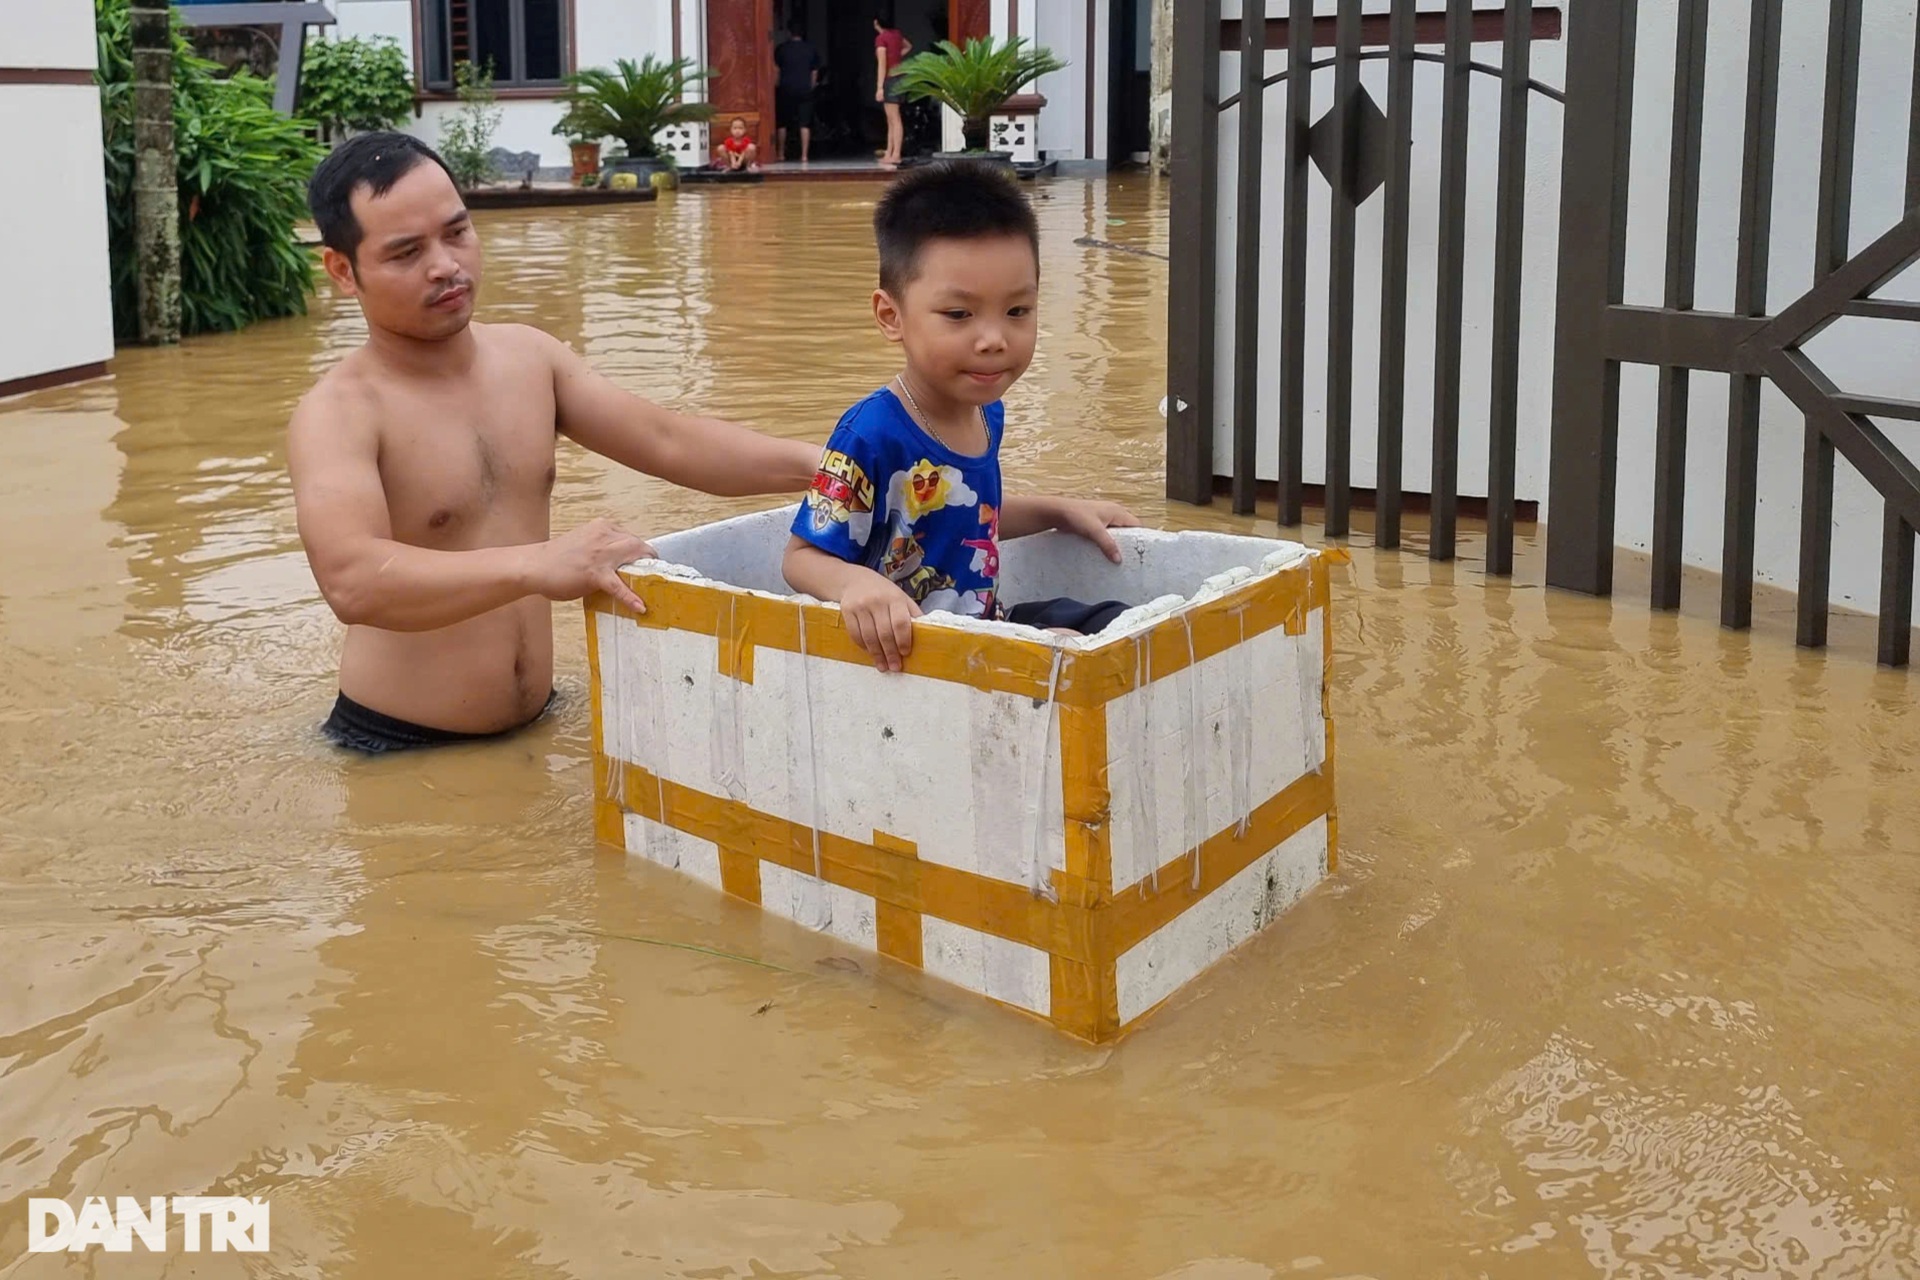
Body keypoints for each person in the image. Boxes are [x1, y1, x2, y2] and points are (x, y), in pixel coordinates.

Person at [289, 132, 820, 752]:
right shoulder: (337, 414)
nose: (445, 265)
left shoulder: (530, 359)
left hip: (541, 720)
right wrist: (540, 564)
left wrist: (830, 465)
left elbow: (667, 439)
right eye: (406, 252)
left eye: (456, 232)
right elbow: (354, 581)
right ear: (342, 271)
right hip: (398, 746)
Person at [782, 162, 1138, 672]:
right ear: (891, 316)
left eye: (1017, 312)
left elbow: (964, 515)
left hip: (983, 624)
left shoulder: (986, 412)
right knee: (1062, 648)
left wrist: (1061, 510)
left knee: (1114, 620)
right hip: (910, 655)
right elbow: (800, 557)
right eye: (959, 315)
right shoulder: (871, 434)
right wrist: (856, 583)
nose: (993, 339)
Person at [773, 24, 822, 163]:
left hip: (785, 88)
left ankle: (781, 153)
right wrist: (811, 86)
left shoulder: (781, 49)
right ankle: (804, 156)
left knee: (782, 123)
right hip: (805, 89)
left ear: (789, 32)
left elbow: (776, 70)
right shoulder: (811, 49)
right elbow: (814, 72)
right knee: (804, 123)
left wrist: (776, 85)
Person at [873, 13, 913, 167]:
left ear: (877, 23)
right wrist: (897, 56)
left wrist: (879, 88)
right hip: (900, 76)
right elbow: (909, 46)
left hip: (891, 79)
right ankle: (889, 153)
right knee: (891, 119)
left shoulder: (881, 39)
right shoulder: (896, 34)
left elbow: (882, 64)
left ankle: (896, 154)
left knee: (894, 119)